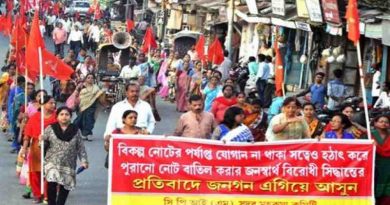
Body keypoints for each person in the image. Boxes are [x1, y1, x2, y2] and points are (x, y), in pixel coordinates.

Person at [43, 107, 88, 205]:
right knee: (51, 185)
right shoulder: (50, 128)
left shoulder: (75, 130)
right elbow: (43, 143)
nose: (64, 117)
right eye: (61, 114)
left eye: (67, 114)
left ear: (70, 117)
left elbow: (80, 147)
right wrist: (40, 140)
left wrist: (84, 161)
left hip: (68, 163)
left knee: (65, 187)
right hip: (52, 162)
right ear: (57, 116)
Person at [20, 96, 57, 203]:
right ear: (43, 104)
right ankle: (37, 194)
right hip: (36, 148)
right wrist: (24, 149)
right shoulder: (35, 117)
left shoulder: (56, 117)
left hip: (52, 148)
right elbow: (27, 135)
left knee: (50, 172)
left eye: (54, 103)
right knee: (35, 173)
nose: (54, 105)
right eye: (51, 103)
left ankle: (47, 195)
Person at [73, 74, 104, 141]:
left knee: (89, 120)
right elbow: (75, 94)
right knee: (79, 120)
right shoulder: (81, 86)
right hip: (81, 106)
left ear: (94, 79)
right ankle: (86, 132)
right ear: (86, 79)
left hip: (91, 106)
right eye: (88, 78)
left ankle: (86, 133)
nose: (90, 79)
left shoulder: (96, 88)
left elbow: (99, 97)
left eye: (92, 78)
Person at [371, 115, 390, 205]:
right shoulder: (369, 134)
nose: (384, 123)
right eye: (381, 121)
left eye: (386, 122)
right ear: (375, 123)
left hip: (388, 166)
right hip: (374, 165)